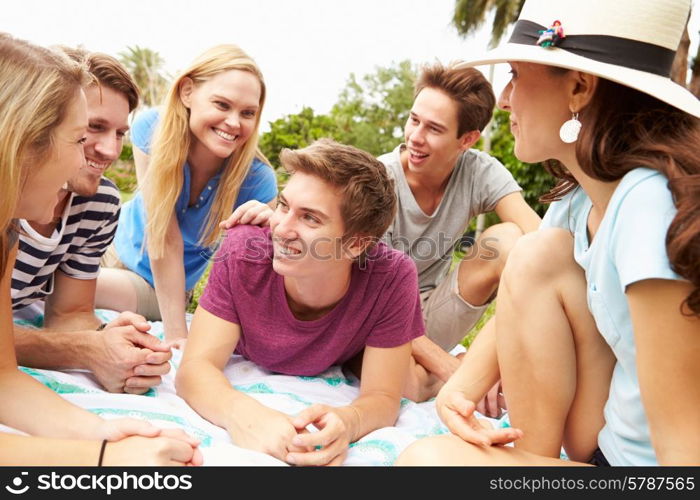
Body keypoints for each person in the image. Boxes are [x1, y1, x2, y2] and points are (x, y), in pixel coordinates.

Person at [396, 0, 700, 466]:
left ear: (579, 87)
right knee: (534, 251)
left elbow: (685, 449)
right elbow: (524, 288)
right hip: (598, 440)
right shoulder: (580, 197)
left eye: (516, 74)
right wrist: (458, 390)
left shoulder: (649, 205)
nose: (503, 99)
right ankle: (530, 452)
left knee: (426, 463)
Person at [0, 33, 201, 465]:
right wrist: (101, 461)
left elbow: (3, 378)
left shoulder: (5, 234)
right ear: (22, 137)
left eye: (119, 134)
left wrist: (106, 433)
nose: (95, 158)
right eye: (80, 137)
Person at [176, 139, 424, 466]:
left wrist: (348, 421)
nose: (281, 228)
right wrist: (242, 414)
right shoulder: (242, 249)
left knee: (416, 388)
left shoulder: (391, 275)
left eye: (309, 218)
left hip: (347, 351)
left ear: (356, 245)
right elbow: (194, 368)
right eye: (283, 205)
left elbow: (383, 398)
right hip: (303, 350)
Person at [12, 47, 172, 395]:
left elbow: (70, 313)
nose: (111, 151)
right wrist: (84, 350)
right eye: (93, 127)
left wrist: (114, 343)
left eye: (119, 133)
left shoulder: (100, 202)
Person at [376, 63, 541, 401]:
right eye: (414, 120)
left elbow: (540, 238)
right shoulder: (377, 181)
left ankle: (499, 362)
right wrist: (459, 373)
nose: (415, 137)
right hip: (377, 317)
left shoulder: (479, 171)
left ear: (466, 139)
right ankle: (470, 368)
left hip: (432, 313)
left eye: (434, 129)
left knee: (511, 240)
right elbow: (371, 303)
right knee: (403, 386)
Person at [95, 45, 277, 342]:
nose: (234, 122)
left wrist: (177, 337)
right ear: (187, 92)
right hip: (109, 247)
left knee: (61, 284)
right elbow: (161, 229)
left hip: (155, 283)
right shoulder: (152, 128)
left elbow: (263, 274)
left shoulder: (257, 180)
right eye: (222, 104)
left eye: (247, 113)